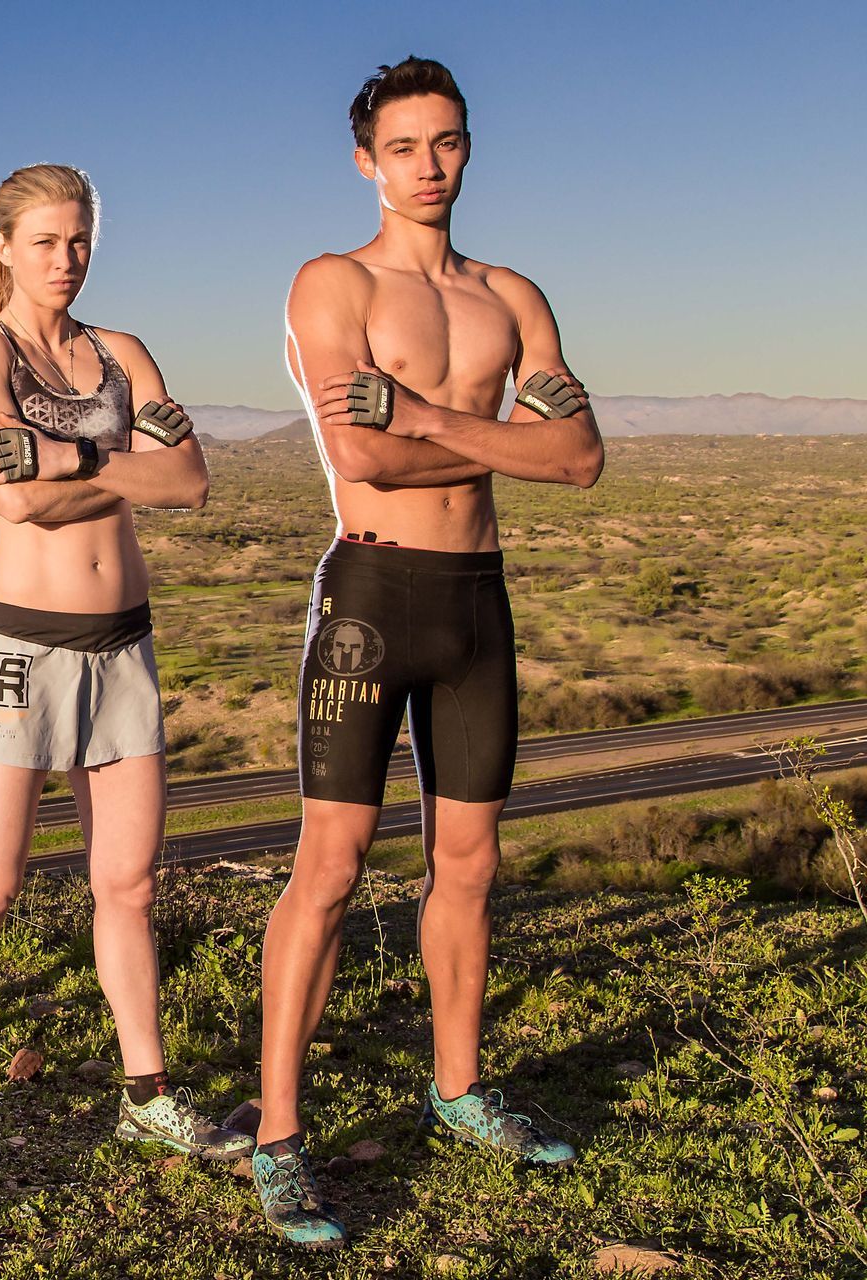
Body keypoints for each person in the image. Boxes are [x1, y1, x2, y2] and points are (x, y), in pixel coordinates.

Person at [254, 58, 604, 1250]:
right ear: (367, 159)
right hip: (370, 591)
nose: (428, 165)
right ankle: (280, 1138)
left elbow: (582, 459)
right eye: (404, 146)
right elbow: (367, 466)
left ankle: (458, 1090)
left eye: (446, 141)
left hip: (476, 601)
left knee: (468, 862)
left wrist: (427, 418)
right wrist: (508, 439)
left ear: (468, 147)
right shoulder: (332, 281)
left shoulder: (512, 294)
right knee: (333, 864)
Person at [0, 163, 226, 1217]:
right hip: (21, 648)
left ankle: (148, 1094)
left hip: (124, 646)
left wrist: (65, 450)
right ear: (3, 243)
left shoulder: (120, 352)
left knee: (129, 885)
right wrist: (112, 456)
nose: (66, 259)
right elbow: (18, 507)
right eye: (46, 240)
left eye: (81, 240)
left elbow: (189, 479)